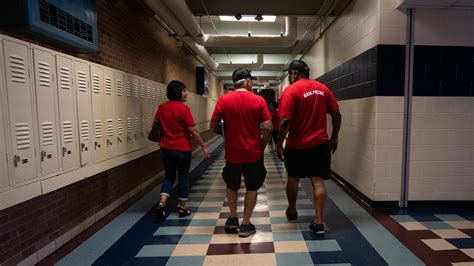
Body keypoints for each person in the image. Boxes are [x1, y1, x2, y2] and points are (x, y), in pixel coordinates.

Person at [276, 60, 341, 235]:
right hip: (320, 144)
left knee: (293, 177)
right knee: (317, 180)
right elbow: (336, 114)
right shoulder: (323, 89)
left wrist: (278, 143)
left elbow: (285, 121)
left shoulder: (290, 91)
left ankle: (292, 210)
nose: (290, 78)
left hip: (296, 145)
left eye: (290, 74)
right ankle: (318, 222)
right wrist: (335, 136)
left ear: (294, 74)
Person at [210, 68, 272, 237]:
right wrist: (262, 144)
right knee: (252, 187)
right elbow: (268, 127)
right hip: (253, 154)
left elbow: (213, 126)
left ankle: (232, 218)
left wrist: (227, 136)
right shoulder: (259, 101)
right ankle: (245, 224)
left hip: (233, 154)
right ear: (248, 81)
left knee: (232, 185)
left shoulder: (224, 100)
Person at [155, 80, 210, 218]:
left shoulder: (161, 107)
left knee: (169, 176)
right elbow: (193, 131)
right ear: (178, 93)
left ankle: (162, 202)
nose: (186, 93)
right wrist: (203, 146)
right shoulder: (184, 109)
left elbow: (155, 125)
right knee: (183, 176)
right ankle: (183, 208)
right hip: (182, 149)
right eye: (184, 91)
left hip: (166, 148)